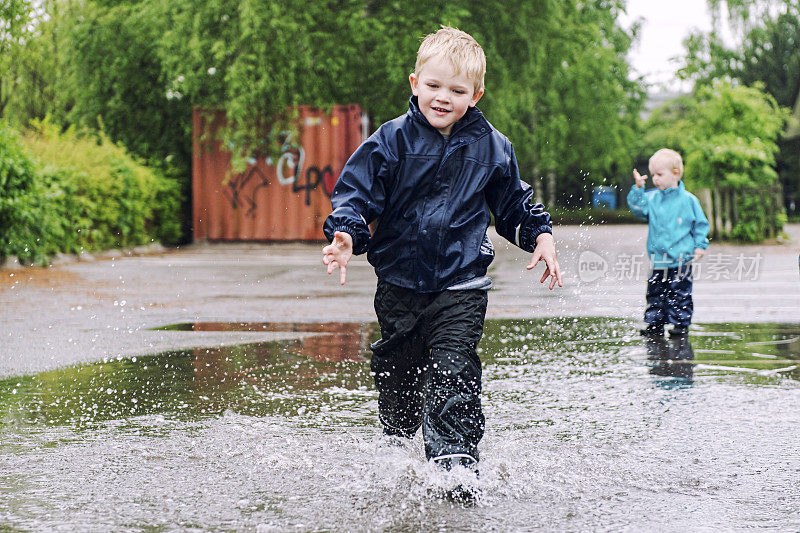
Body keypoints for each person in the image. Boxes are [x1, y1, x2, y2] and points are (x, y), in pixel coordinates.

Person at [321, 26, 562, 477]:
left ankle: (456, 461)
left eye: (456, 89)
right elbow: (356, 194)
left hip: (462, 282)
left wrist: (540, 235)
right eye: (433, 85)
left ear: (475, 94)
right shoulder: (390, 141)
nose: (442, 97)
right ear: (415, 83)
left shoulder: (492, 146)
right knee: (398, 373)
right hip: (399, 283)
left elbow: (513, 201)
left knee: (455, 367)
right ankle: (398, 434)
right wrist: (348, 234)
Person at [627, 148, 710, 337]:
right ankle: (655, 324)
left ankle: (680, 324)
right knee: (655, 293)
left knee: (680, 294)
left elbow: (700, 224)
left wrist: (700, 245)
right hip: (659, 259)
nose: (655, 179)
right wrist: (638, 189)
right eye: (653, 175)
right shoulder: (652, 198)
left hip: (681, 259)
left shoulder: (689, 200)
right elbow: (638, 209)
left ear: (675, 174)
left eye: (659, 174)